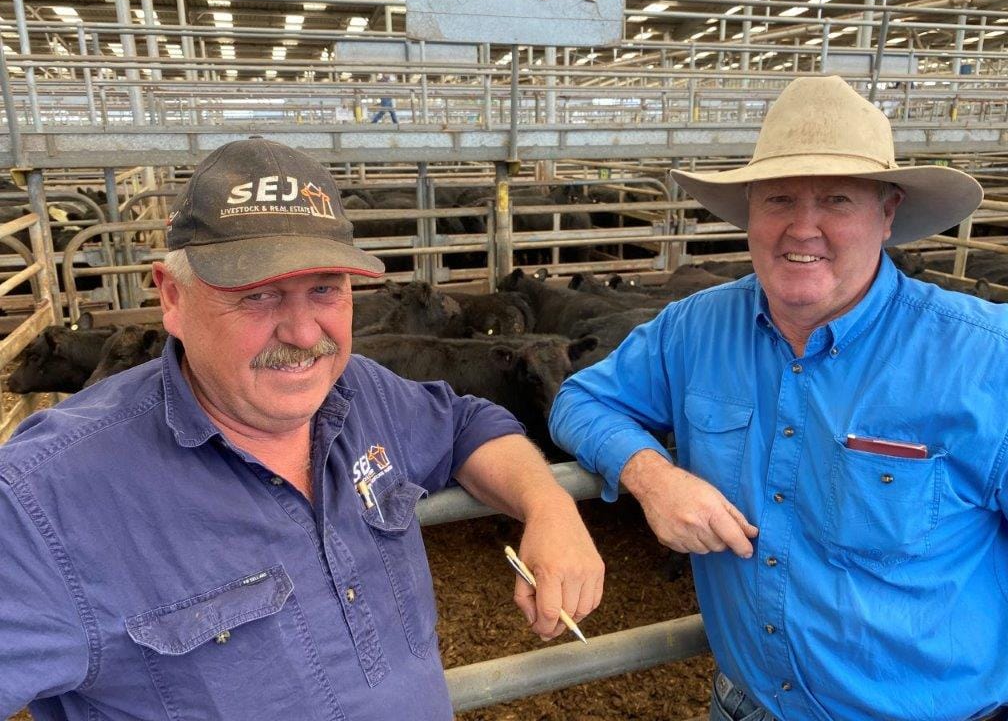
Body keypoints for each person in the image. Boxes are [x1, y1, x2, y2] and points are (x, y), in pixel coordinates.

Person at [0, 137, 604, 720]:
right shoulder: (40, 501)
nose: (303, 333)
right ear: (172, 297)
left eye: (325, 288)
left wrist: (549, 505)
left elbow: (468, 423)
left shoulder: (360, 390)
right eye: (258, 294)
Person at [549, 76, 1008, 721]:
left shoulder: (994, 359)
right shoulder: (694, 328)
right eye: (778, 200)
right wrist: (651, 474)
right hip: (746, 705)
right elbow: (578, 400)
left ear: (887, 213)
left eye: (837, 200)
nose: (803, 228)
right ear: (749, 210)